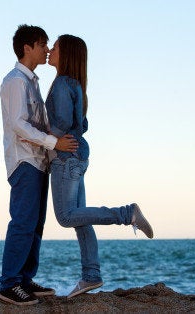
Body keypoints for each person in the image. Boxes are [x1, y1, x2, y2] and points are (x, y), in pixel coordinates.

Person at [44, 34, 154, 299]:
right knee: (81, 218)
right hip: (77, 156)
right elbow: (82, 125)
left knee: (66, 217)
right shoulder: (76, 84)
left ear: (66, 54)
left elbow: (62, 125)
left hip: (65, 157)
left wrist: (45, 135)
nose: (50, 50)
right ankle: (91, 276)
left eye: (55, 47)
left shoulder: (61, 84)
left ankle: (126, 214)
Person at [0, 25, 78, 306]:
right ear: (27, 48)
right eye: (43, 44)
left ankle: (24, 278)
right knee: (23, 221)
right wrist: (53, 142)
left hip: (39, 160)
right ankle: (9, 283)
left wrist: (55, 144)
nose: (46, 50)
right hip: (24, 160)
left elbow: (40, 123)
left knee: (36, 223)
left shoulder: (32, 82)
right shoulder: (15, 81)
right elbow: (19, 124)